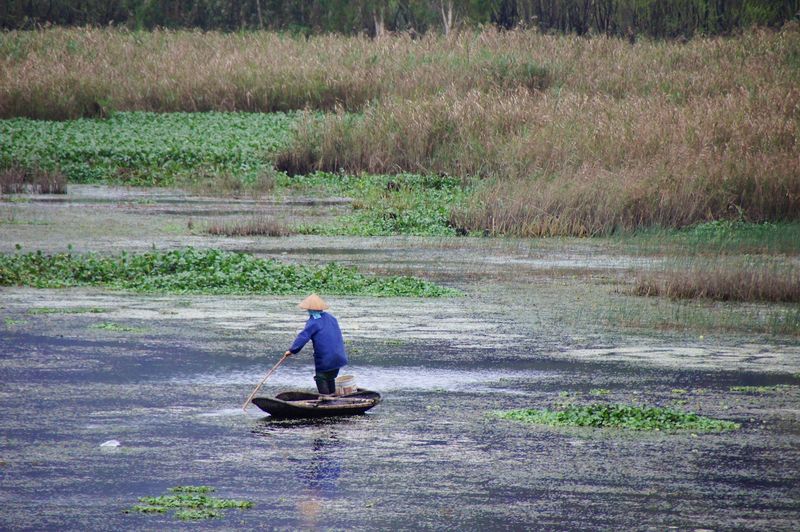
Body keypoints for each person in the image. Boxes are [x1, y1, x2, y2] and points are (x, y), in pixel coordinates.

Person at [285, 294, 348, 395]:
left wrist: (292, 350)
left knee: (321, 377)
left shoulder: (313, 322)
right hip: (339, 356)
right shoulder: (332, 318)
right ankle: (333, 398)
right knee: (330, 376)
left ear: (310, 309)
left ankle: (327, 401)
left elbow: (303, 336)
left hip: (326, 357)